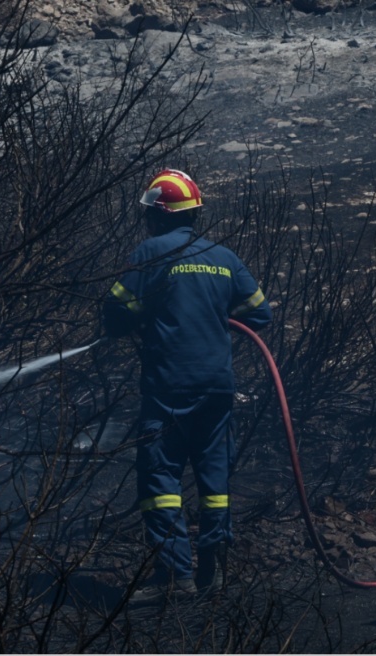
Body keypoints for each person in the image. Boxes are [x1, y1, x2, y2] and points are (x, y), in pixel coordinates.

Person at [102, 169, 272, 604]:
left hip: (168, 388)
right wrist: (214, 315)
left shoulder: (150, 252)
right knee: (214, 481)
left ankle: (174, 577)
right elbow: (259, 313)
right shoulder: (223, 255)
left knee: (160, 479)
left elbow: (116, 313)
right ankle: (213, 573)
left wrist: (144, 317)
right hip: (216, 387)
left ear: (156, 215)